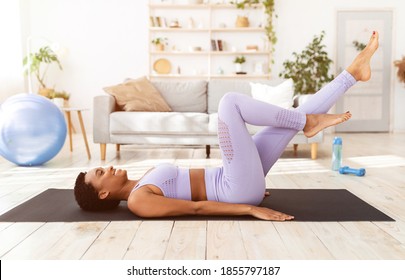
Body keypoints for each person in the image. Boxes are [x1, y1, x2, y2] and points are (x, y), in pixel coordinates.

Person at [74, 32, 379, 221]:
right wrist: (250, 208)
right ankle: (307, 122)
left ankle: (352, 74)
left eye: (102, 168)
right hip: (235, 190)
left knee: (290, 121)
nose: (107, 168)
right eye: (101, 174)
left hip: (235, 179)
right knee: (229, 103)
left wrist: (251, 181)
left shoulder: (140, 184)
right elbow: (196, 209)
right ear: (102, 195)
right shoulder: (139, 201)